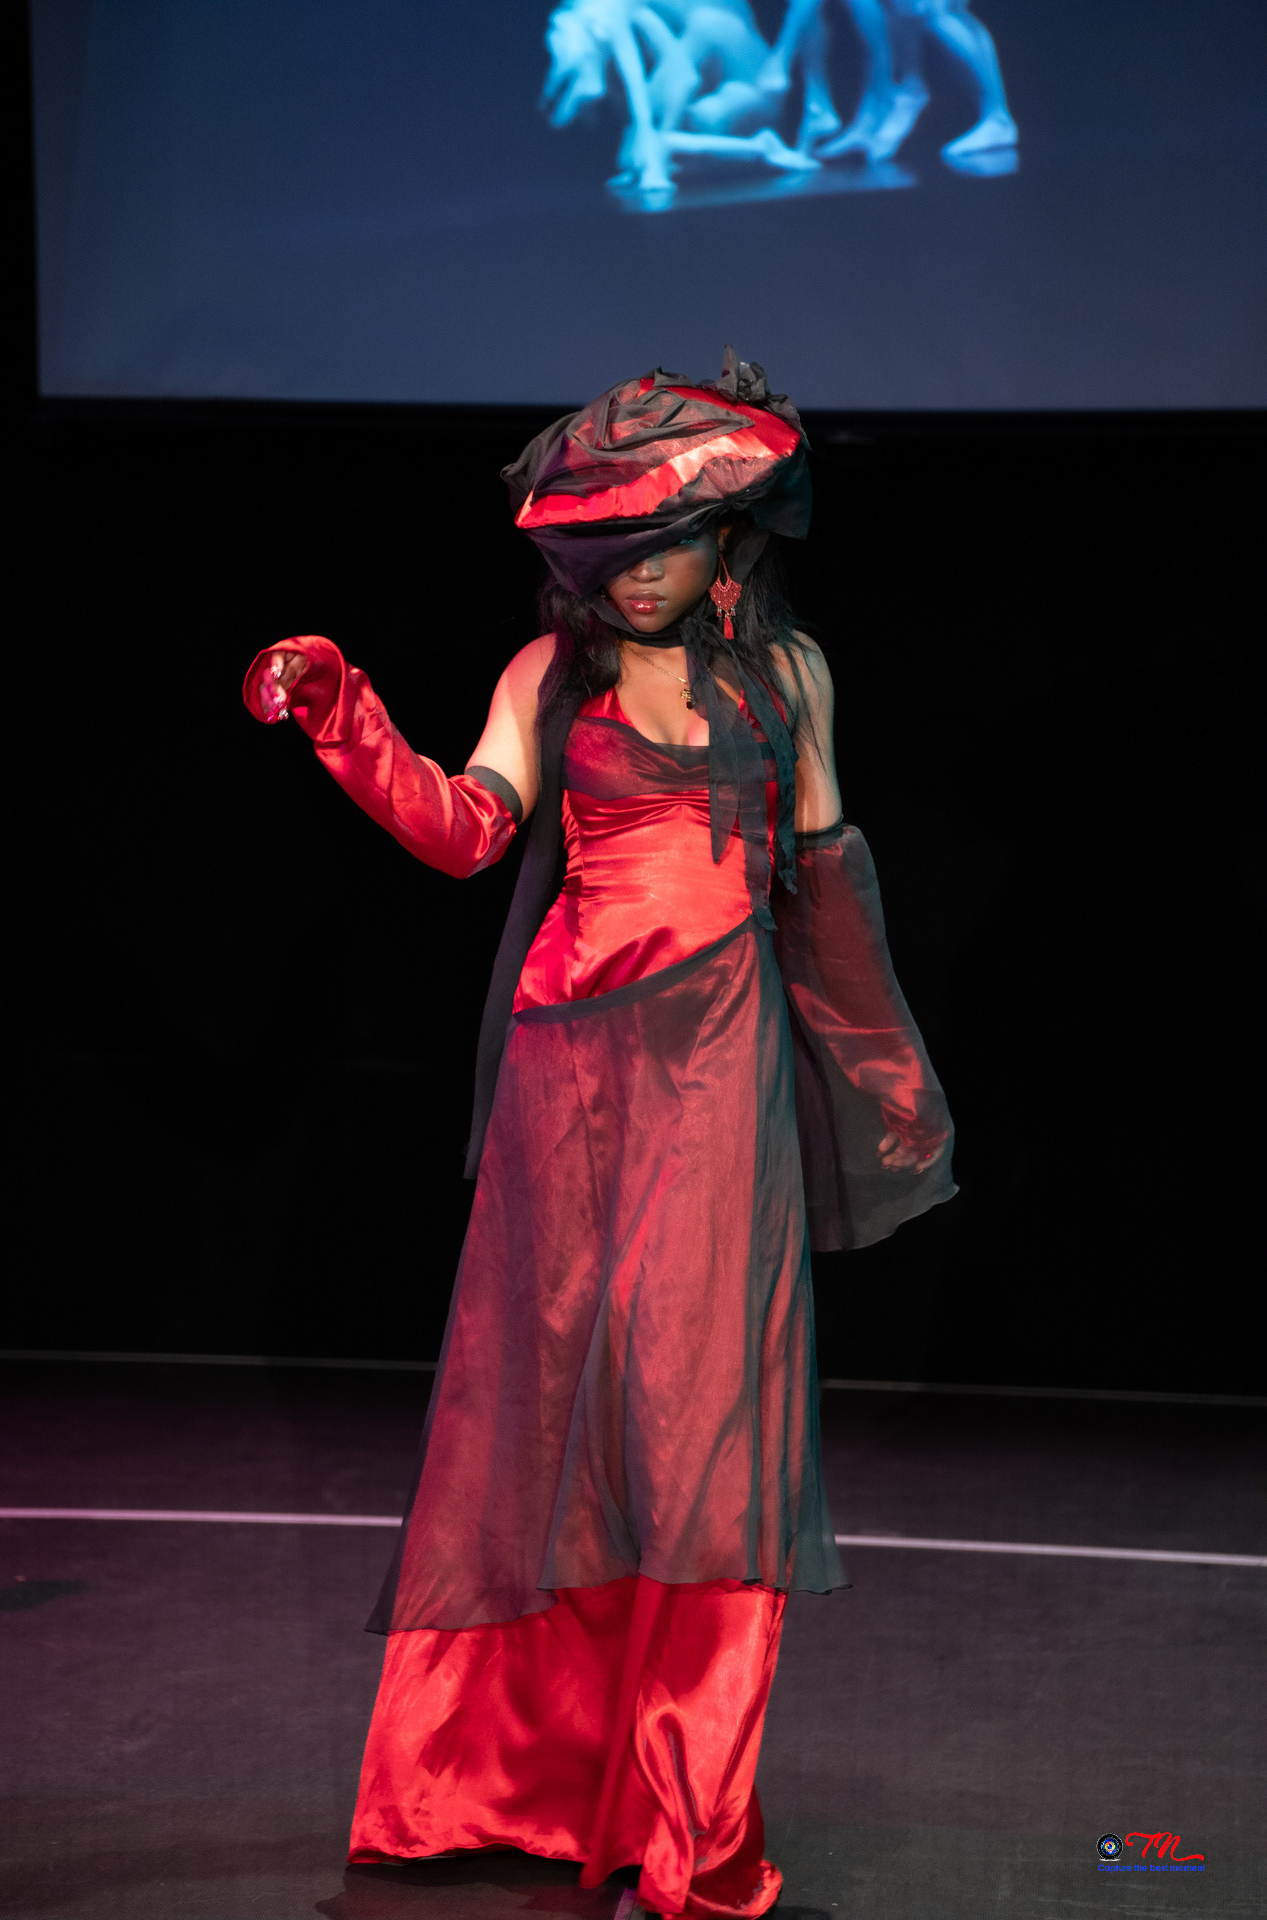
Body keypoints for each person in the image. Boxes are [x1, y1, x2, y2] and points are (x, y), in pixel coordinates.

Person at [243, 348, 955, 1919]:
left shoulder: (787, 677)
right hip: (564, 1080)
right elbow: (462, 832)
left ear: (726, 541)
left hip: (720, 1075)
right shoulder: (544, 676)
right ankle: (506, 1781)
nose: (639, 570)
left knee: (705, 1435)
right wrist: (343, 714)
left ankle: (690, 1826)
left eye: (668, 540)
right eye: (612, 544)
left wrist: (882, 1082)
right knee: (549, 1423)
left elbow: (825, 891)